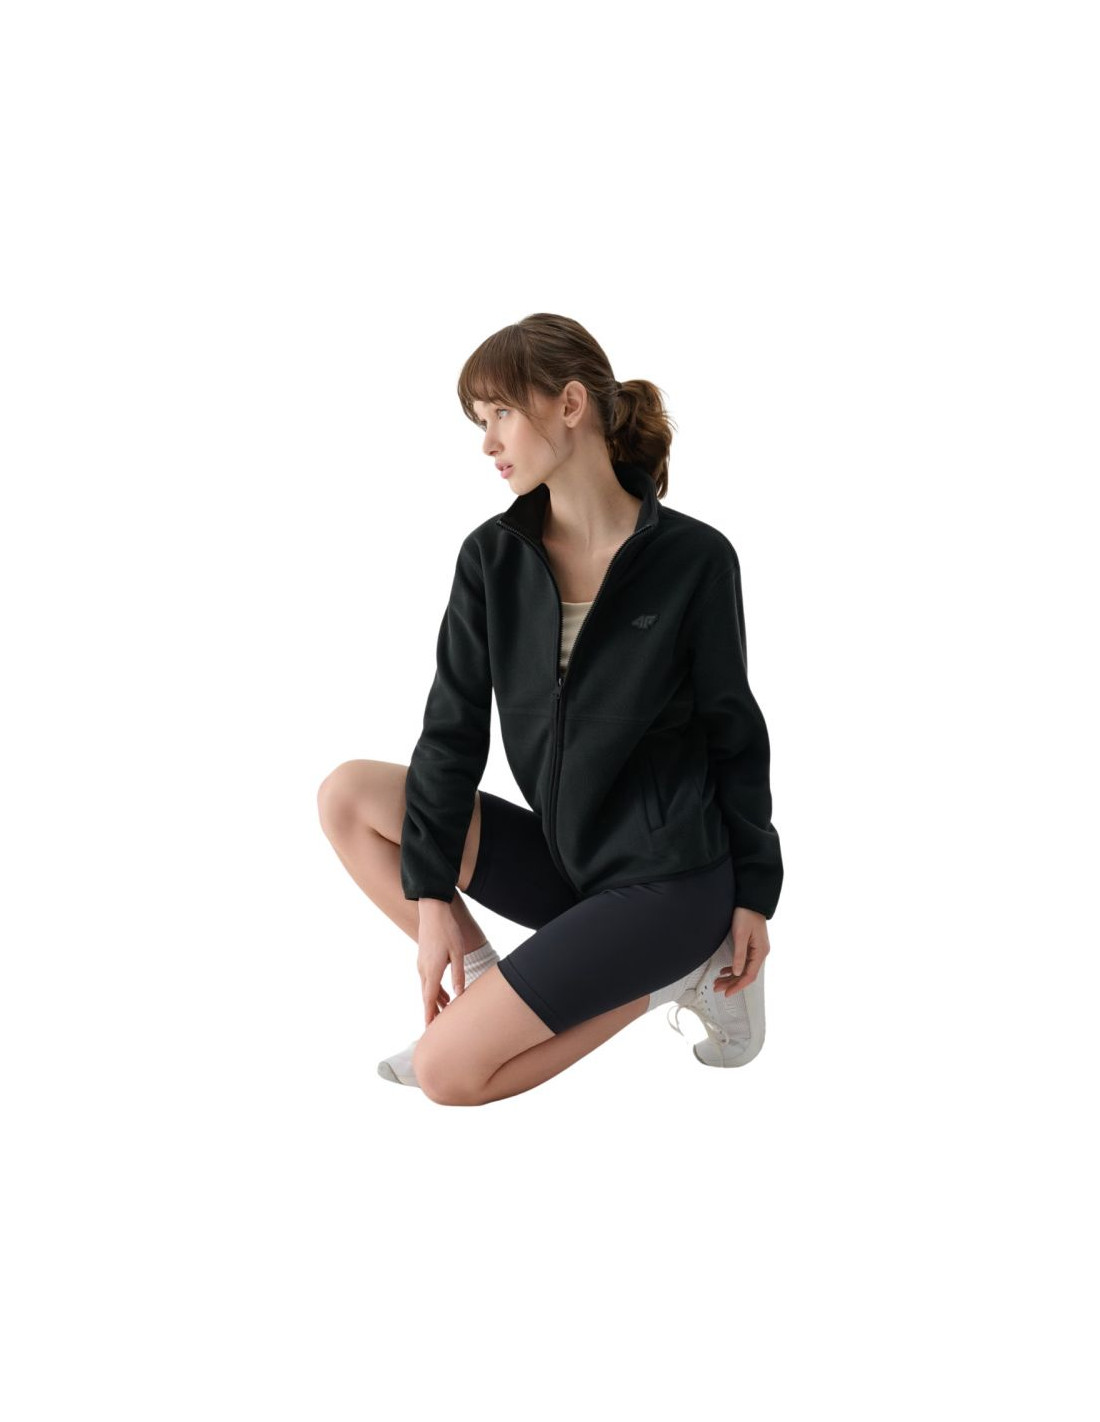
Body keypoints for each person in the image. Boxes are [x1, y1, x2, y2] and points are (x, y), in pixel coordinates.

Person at [317, 312, 782, 1107]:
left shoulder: (693, 559)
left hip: (672, 880)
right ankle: (485, 978)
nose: (488, 442)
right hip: (572, 862)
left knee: (448, 1073)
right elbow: (451, 733)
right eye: (480, 419)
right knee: (348, 795)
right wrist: (432, 905)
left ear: (570, 404)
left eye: (500, 412)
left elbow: (735, 733)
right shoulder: (492, 559)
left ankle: (681, 974)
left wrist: (754, 896)